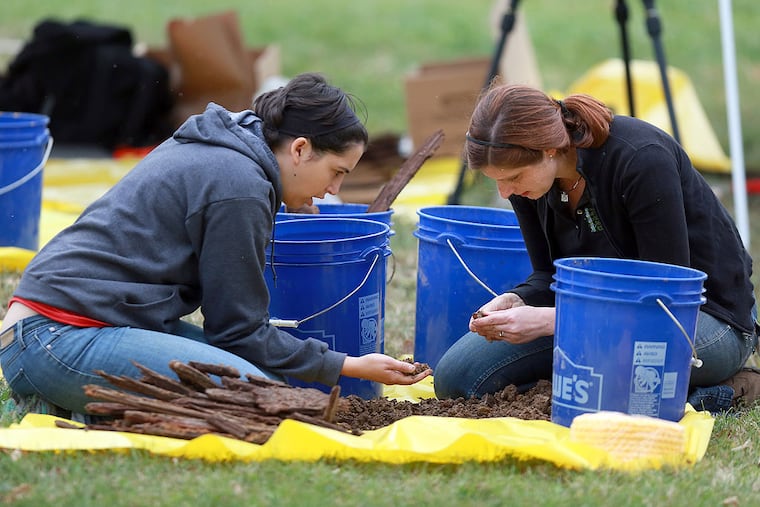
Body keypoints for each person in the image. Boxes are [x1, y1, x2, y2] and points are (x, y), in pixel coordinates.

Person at [0, 72, 431, 418]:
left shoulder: (231, 148)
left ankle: (75, 401)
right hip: (54, 334)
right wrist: (347, 365)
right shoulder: (239, 185)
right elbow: (238, 330)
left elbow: (236, 333)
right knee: (256, 399)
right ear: (300, 149)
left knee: (267, 382)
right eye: (337, 172)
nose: (333, 190)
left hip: (82, 325)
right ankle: (71, 400)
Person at [433, 83, 759, 413]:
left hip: (701, 318)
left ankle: (722, 392)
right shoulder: (530, 186)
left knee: (616, 369)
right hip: (597, 317)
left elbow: (664, 300)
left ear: (548, 149)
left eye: (514, 178)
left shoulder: (640, 158)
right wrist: (518, 299)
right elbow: (548, 275)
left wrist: (553, 321)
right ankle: (609, 388)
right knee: (458, 378)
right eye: (496, 180)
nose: (505, 192)